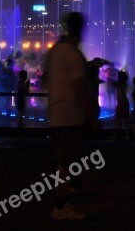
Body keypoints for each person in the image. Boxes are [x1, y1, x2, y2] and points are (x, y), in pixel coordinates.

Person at [45, 12, 98, 220]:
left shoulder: (56, 51)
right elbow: (80, 88)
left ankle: (68, 191)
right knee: (66, 160)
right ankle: (60, 206)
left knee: (66, 158)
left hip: (58, 111)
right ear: (81, 29)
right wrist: (92, 116)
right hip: (70, 113)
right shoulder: (73, 54)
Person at [112, 71, 130, 139]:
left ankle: (118, 134)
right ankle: (124, 134)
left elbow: (115, 84)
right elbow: (115, 84)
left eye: (119, 77)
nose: (118, 78)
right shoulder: (121, 83)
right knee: (120, 119)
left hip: (123, 102)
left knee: (119, 119)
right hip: (122, 102)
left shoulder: (122, 83)